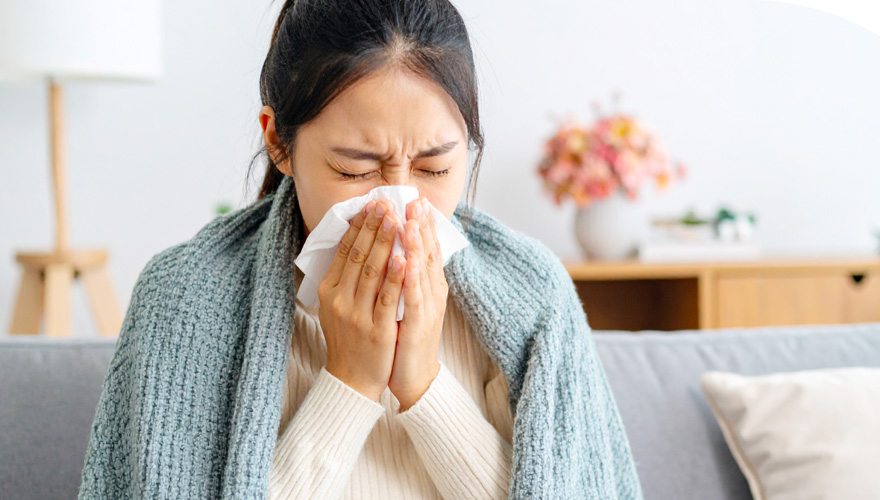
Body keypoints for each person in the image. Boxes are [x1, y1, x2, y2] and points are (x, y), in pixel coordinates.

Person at [78, 1, 643, 499]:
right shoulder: (183, 299)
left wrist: (421, 383)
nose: (397, 204)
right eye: (355, 168)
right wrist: (349, 382)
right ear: (278, 141)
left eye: (435, 166)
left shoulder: (533, 298)